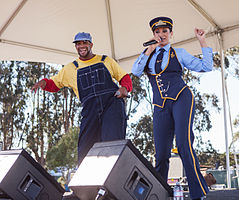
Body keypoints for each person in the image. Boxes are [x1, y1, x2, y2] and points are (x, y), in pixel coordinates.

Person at [132, 17, 213, 200]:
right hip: (160, 105)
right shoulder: (147, 55)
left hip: (181, 98)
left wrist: (202, 41)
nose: (161, 35)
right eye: (158, 32)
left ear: (171, 34)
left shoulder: (179, 52)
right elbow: (136, 72)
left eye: (165, 31)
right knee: (161, 153)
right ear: (153, 35)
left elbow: (206, 66)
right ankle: (159, 193)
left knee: (184, 145)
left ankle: (197, 193)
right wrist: (148, 51)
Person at [32, 32, 132, 166]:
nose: (81, 46)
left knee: (112, 146)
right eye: (78, 44)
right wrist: (43, 83)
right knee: (85, 149)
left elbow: (124, 77)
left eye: (84, 43)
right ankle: (87, 186)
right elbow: (54, 84)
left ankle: (112, 183)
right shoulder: (70, 68)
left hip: (111, 106)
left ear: (91, 44)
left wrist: (125, 88)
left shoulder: (105, 60)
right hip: (90, 111)